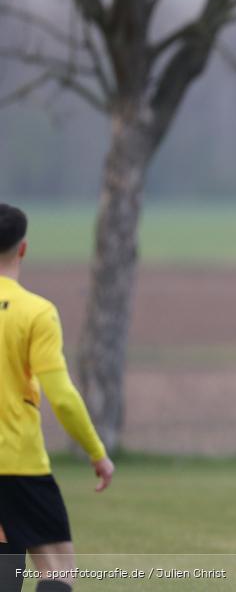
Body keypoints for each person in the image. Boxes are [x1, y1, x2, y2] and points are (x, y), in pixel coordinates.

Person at [0, 203, 115, 592]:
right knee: (57, 568)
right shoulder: (35, 312)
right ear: (23, 249)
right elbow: (62, 397)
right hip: (17, 463)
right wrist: (96, 452)